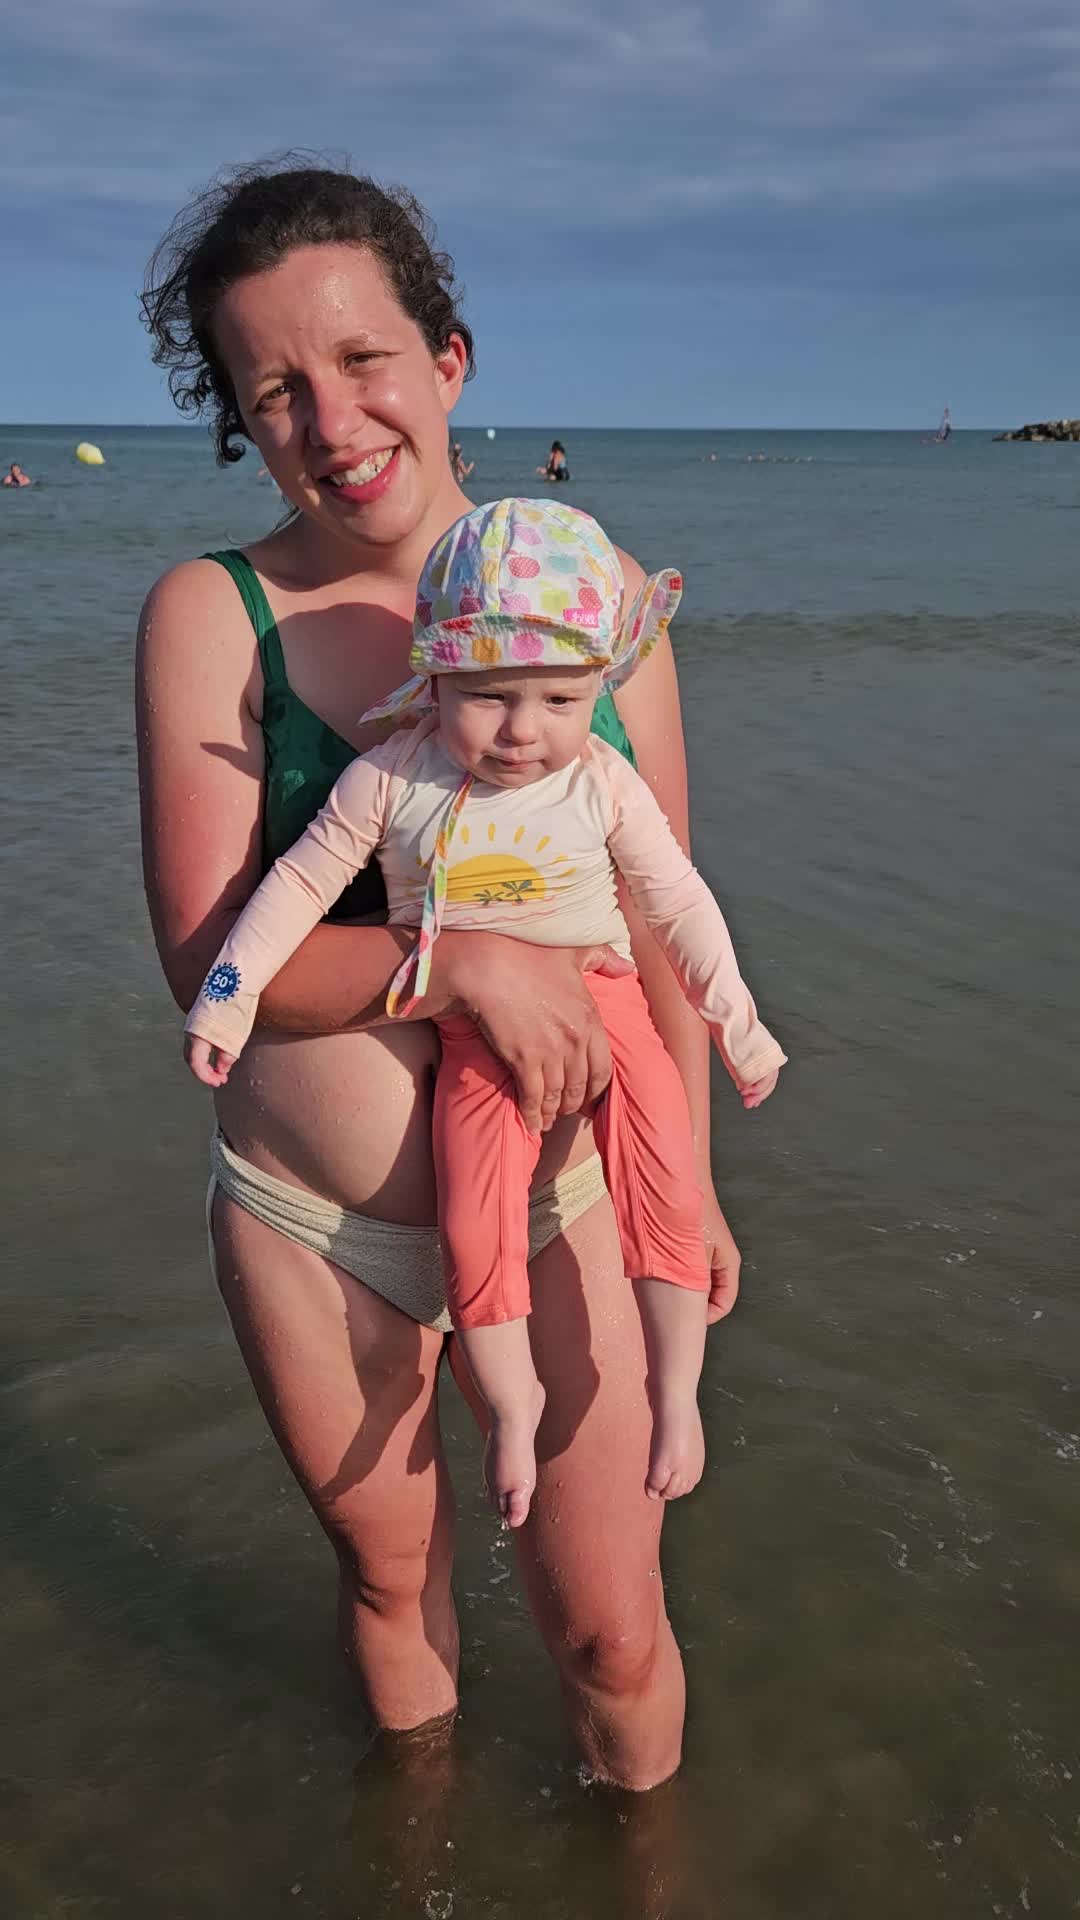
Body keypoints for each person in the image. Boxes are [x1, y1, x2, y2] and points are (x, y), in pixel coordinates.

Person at [137, 159, 757, 1792]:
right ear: (240, 419)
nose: (330, 420)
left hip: (568, 1201)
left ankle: (649, 1880)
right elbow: (211, 963)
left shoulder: (600, 606)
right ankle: (414, 1864)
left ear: (449, 359)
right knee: (389, 1583)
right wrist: (457, 964)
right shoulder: (214, 615)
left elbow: (660, 924)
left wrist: (688, 1189)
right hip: (315, 1229)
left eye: (363, 360)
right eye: (274, 388)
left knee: (612, 1634)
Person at [183, 496, 786, 1527]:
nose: (522, 730)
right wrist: (226, 1002)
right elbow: (292, 892)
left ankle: (678, 1393)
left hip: (604, 999)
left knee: (666, 1184)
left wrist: (738, 1025)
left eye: (560, 699)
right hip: (470, 1033)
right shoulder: (391, 778)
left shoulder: (601, 782)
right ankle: (513, 1407)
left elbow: (676, 903)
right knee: (477, 1216)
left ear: (596, 690)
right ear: (433, 679)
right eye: (489, 695)